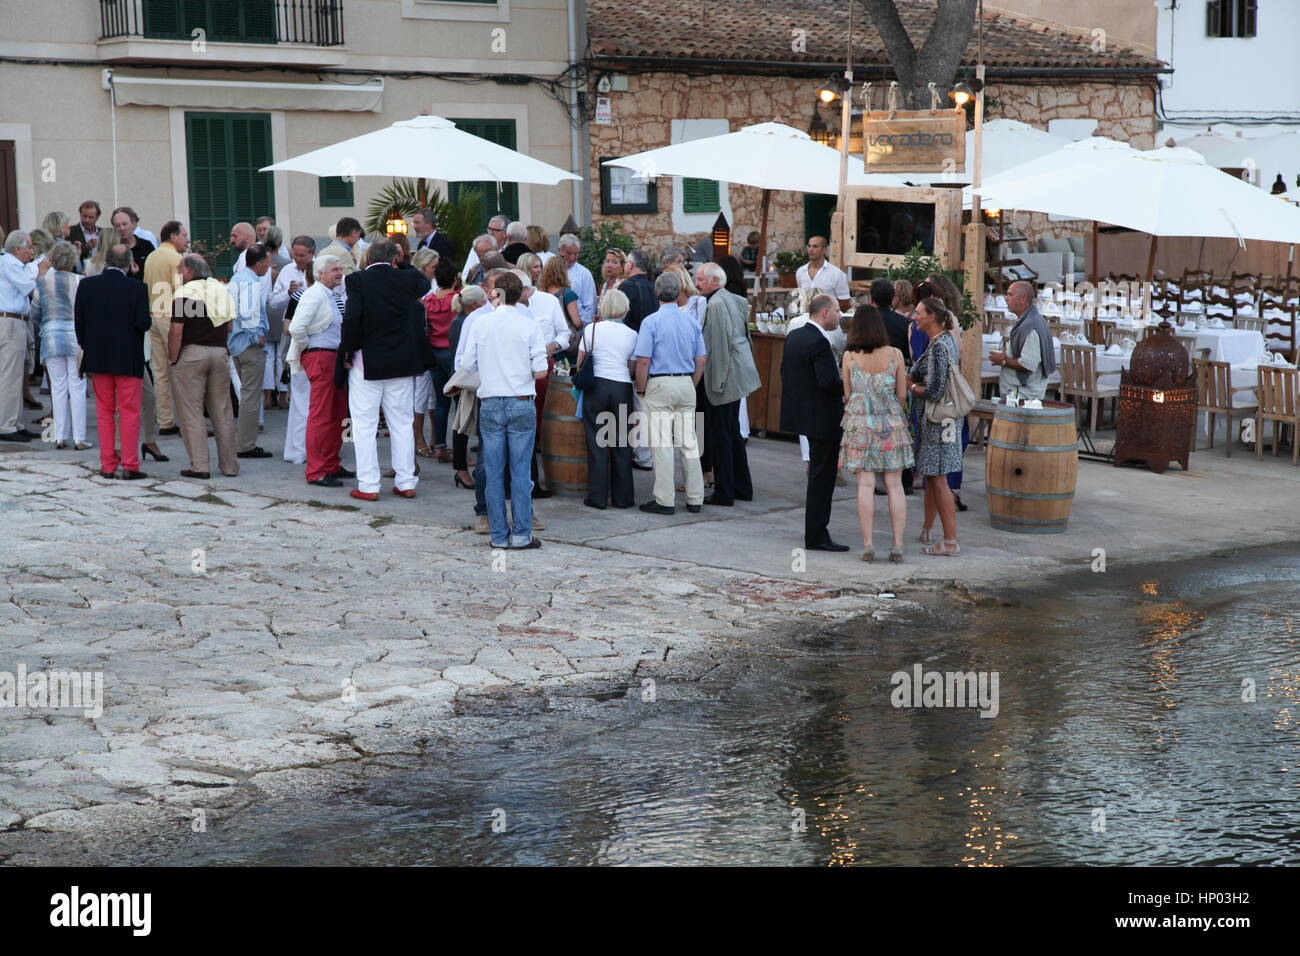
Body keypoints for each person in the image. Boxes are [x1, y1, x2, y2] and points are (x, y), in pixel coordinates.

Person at [457, 271, 548, 549]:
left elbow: (468, 364)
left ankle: (498, 535)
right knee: (521, 473)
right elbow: (541, 371)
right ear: (519, 294)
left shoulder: (480, 323)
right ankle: (522, 533)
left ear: (496, 295)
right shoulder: (529, 325)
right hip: (520, 400)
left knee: (493, 472)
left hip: (492, 401)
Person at [339, 237, 431, 501]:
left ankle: (368, 485)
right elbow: (423, 283)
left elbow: (352, 318)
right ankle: (406, 481)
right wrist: (403, 263)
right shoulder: (407, 279)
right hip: (401, 362)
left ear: (367, 258)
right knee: (402, 423)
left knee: (364, 425)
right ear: (395, 258)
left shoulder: (357, 281)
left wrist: (346, 350)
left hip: (367, 361)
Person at [841, 305, 914, 562]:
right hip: (891, 422)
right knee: (894, 484)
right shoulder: (895, 355)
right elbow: (902, 394)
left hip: (860, 423)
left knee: (866, 484)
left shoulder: (849, 357)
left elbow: (848, 395)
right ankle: (897, 545)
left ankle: (869, 544)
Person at [75, 244, 152, 478]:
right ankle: (130, 465)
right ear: (129, 264)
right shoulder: (137, 288)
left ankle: (108, 465)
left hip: (98, 356)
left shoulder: (87, 285)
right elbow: (144, 323)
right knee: (129, 412)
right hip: (128, 357)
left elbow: (79, 323)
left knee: (103, 411)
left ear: (106, 261)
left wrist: (89, 345)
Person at [634, 272, 707, 515]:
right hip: (686, 382)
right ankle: (695, 498)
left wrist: (641, 389)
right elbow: (701, 360)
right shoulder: (692, 322)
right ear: (678, 293)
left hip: (660, 384)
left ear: (656, 293)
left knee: (662, 444)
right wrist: (691, 384)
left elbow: (643, 361)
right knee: (689, 443)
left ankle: (665, 500)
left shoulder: (651, 322)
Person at [780, 292, 848, 552]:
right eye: (838, 311)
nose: (840, 316)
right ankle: (817, 534)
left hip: (806, 415)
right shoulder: (820, 341)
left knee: (818, 475)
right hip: (823, 418)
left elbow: (784, 372)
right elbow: (828, 382)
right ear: (826, 312)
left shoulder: (795, 336)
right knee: (823, 477)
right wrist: (851, 385)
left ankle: (816, 532)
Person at [168, 254, 238, 479]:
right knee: (222, 411)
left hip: (192, 354)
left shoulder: (184, 293)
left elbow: (176, 331)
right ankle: (230, 466)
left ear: (189, 270)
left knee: (192, 412)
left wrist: (173, 359)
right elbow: (229, 327)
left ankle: (200, 466)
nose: (178, 273)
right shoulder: (220, 288)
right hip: (219, 353)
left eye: (180, 269)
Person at [696, 262, 759, 507]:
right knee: (731, 433)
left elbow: (720, 348)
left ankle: (725, 492)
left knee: (722, 435)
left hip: (725, 379)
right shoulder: (729, 298)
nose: (697, 283)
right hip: (736, 375)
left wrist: (718, 384)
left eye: (702, 279)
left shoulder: (717, 303)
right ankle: (742, 487)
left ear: (716, 281)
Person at [287, 254, 351, 487]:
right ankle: (316, 470)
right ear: (320, 273)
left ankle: (331, 463)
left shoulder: (329, 295)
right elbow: (296, 327)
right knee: (321, 415)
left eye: (340, 268)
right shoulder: (314, 294)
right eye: (334, 269)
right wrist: (309, 350)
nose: (339, 272)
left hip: (331, 356)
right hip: (321, 355)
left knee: (338, 414)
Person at [906, 296, 963, 556]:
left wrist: (911, 386)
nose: (913, 317)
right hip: (944, 419)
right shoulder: (942, 341)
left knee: (939, 478)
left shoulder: (939, 346)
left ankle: (950, 541)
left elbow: (935, 390)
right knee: (932, 474)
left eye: (918, 313)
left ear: (932, 317)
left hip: (938, 420)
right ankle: (929, 527)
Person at [577, 289, 639, 510]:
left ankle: (598, 497)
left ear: (603, 307)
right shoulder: (633, 334)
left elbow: (580, 363)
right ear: (624, 308)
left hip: (596, 387)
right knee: (622, 443)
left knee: (597, 442)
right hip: (622, 386)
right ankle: (623, 498)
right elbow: (632, 368)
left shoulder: (591, 329)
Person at [31, 241, 89, 450]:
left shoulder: (43, 282)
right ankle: (79, 437)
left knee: (57, 387)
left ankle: (60, 436)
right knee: (78, 385)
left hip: (52, 336)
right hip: (76, 337)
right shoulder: (81, 281)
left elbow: (35, 312)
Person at [142, 220, 188, 435]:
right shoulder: (177, 259)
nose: (186, 239)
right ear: (173, 236)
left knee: (159, 372)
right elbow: (181, 291)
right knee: (180, 370)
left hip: (153, 316)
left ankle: (166, 420)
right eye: (184, 235)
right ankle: (187, 421)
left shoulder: (151, 257)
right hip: (171, 317)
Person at [0, 231, 47, 442]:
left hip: (14, 321)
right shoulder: (10, 264)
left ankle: (15, 422)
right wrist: (42, 271)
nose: (31, 251)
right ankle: (7, 426)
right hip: (10, 322)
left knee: (16, 375)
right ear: (17, 248)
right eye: (28, 246)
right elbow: (32, 291)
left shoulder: (10, 264)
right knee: (10, 375)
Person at [228, 243, 272, 458]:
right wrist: (258, 337)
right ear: (261, 263)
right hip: (249, 345)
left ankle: (244, 442)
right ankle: (245, 445)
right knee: (251, 397)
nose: (269, 267)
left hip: (237, 344)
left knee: (247, 395)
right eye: (268, 263)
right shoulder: (250, 282)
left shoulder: (237, 278)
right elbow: (247, 314)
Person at [448, 282, 489, 491]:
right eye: (484, 301)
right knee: (462, 424)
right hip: (466, 379)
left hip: (465, 377)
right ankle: (461, 469)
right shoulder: (465, 322)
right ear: (474, 304)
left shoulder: (462, 319)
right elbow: (462, 356)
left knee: (463, 423)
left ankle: (462, 467)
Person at [418, 257, 458, 462]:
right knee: (461, 405)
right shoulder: (458, 299)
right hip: (453, 355)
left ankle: (440, 446)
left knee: (441, 403)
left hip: (434, 354)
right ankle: (459, 451)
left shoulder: (428, 302)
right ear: (455, 279)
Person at [990, 279, 1054, 401]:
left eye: (1010, 294)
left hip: (1024, 395)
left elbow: (1028, 363)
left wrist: (1003, 360)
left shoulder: (1031, 326)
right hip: (1019, 394)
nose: (1006, 298)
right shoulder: (1028, 321)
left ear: (1023, 299)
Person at [281, 259, 316, 465]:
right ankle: (304, 449)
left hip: (300, 353)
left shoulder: (299, 296)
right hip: (306, 352)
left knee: (300, 403)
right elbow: (289, 328)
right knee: (306, 402)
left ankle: (297, 449)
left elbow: (287, 327)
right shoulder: (304, 296)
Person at [538, 256, 580, 356]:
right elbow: (577, 322)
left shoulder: (539, 292)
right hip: (564, 346)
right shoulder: (567, 294)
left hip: (545, 342)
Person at [795, 236, 851, 312]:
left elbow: (845, 303)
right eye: (809, 246)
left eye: (815, 246)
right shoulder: (800, 272)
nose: (811, 249)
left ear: (824, 250)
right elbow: (801, 297)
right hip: (805, 319)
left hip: (828, 320)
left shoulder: (837, 274)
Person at [558, 233, 597, 326]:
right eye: (569, 253)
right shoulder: (551, 271)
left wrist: (581, 328)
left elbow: (590, 305)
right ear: (560, 251)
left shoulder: (584, 274)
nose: (572, 258)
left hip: (577, 328)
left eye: (576, 254)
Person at [108, 207, 154, 280]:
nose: (122, 228)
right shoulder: (112, 249)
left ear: (134, 224)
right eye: (117, 225)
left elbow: (153, 271)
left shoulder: (146, 246)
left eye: (125, 224)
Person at [67, 201, 102, 266]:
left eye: (91, 217)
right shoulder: (70, 232)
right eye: (84, 216)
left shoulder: (102, 233)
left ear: (97, 217)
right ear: (80, 214)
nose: (87, 220)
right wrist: (86, 248)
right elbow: (67, 257)